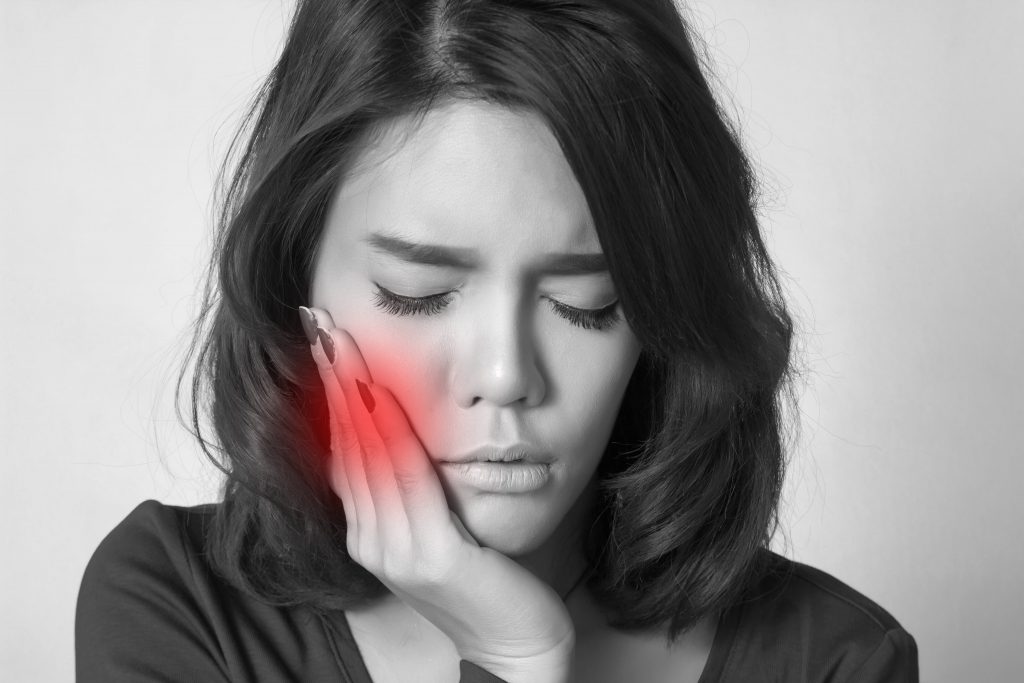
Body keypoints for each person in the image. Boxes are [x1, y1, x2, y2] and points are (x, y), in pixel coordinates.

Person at [75, 0, 919, 681]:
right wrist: (514, 658)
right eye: (421, 294)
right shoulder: (180, 608)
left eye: (587, 302)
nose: (506, 374)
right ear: (297, 282)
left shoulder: (835, 659)